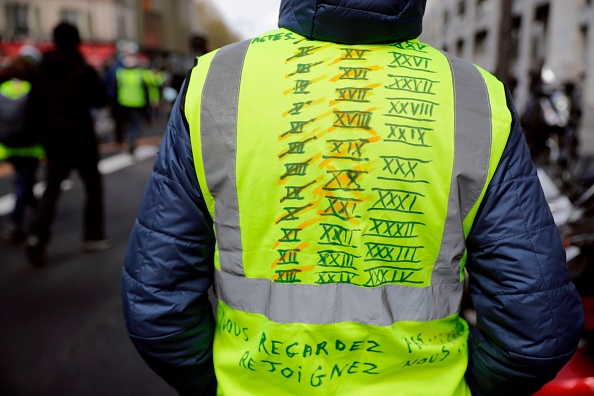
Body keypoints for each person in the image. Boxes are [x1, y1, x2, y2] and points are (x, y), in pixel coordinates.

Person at [121, 1, 584, 395]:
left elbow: (156, 302)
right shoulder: (474, 96)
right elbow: (537, 328)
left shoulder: (217, 81)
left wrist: (222, 384)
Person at [25, 22, 111, 266]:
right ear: (76, 40)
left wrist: (36, 136)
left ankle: (38, 238)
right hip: (81, 137)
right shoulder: (83, 69)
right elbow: (100, 100)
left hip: (53, 139)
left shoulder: (40, 70)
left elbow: (32, 107)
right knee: (93, 187)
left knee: (51, 190)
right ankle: (93, 235)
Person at [0, 55, 44, 243]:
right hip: (30, 146)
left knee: (25, 180)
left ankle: (37, 215)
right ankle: (15, 222)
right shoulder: (33, 90)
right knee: (24, 183)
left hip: (8, 146)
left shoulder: (3, 89)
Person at [112, 50, 149, 154]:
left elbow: (115, 88)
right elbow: (146, 89)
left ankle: (127, 140)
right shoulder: (141, 73)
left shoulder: (120, 73)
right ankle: (131, 141)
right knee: (135, 125)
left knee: (126, 124)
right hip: (137, 104)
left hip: (123, 103)